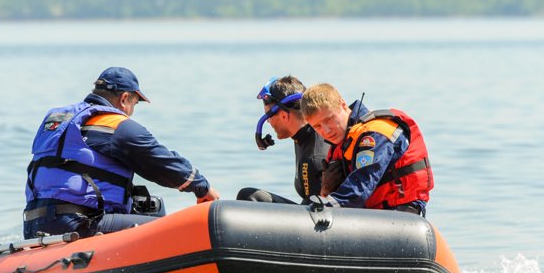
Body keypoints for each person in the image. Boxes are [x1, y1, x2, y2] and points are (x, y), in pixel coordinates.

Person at [23, 66, 219, 238]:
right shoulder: (115, 125)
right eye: (135, 103)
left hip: (33, 223)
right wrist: (202, 187)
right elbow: (162, 163)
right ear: (125, 98)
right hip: (77, 222)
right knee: (175, 231)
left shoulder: (57, 120)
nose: (132, 110)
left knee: (151, 209)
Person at [300, 83, 433, 215]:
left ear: (343, 105)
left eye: (329, 119)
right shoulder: (340, 144)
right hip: (370, 216)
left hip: (400, 215)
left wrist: (324, 208)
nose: (326, 130)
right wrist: (325, 192)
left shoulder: (376, 134)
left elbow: (361, 186)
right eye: (317, 126)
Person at [237, 76, 328, 204]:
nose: (268, 122)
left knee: (248, 196)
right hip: (310, 212)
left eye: (268, 116)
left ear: (284, 116)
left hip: (323, 219)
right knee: (252, 196)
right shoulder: (305, 136)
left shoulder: (313, 158)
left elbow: (316, 218)